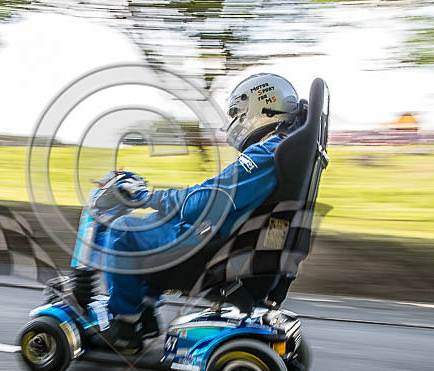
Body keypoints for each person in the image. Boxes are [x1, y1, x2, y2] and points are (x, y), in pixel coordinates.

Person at [100, 73, 301, 352]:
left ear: (260, 107)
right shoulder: (284, 149)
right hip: (235, 243)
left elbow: (203, 202)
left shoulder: (266, 154)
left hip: (211, 248)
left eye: (238, 112)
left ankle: (124, 325)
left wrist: (148, 196)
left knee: (122, 230)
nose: (235, 120)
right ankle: (145, 311)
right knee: (158, 220)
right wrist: (166, 204)